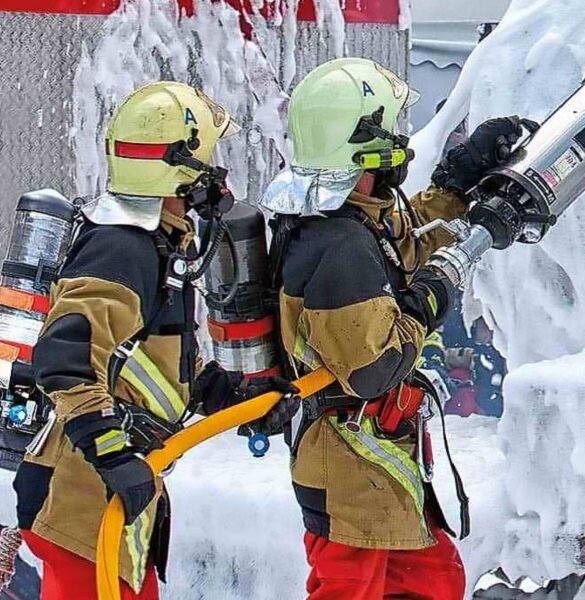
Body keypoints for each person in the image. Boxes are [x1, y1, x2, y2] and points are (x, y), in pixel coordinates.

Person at [260, 57, 529, 599]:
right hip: (348, 470)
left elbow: (400, 250)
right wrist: (434, 293)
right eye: (388, 130)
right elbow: (375, 366)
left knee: (435, 583)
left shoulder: (350, 216)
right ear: (365, 147)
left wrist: (456, 186)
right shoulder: (334, 244)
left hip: (381, 464)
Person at [12, 81, 293, 600]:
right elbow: (65, 357)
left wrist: (229, 396)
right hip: (83, 501)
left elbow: (147, 363)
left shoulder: (157, 247)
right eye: (209, 161)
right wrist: (115, 456)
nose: (218, 177)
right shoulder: (123, 247)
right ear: (181, 171)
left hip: (110, 500)